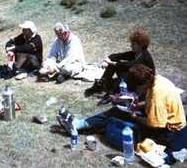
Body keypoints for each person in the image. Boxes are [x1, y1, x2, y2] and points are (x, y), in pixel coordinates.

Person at [57, 64, 187, 165]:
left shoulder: (157, 94)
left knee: (119, 120)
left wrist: (136, 117)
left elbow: (156, 124)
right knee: (116, 112)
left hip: (166, 131)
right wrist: (137, 106)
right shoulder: (158, 80)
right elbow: (152, 103)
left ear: (144, 82)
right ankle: (80, 124)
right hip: (164, 120)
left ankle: (80, 125)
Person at [84, 30, 155, 105]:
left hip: (141, 84)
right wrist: (107, 60)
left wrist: (111, 63)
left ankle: (111, 94)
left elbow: (129, 65)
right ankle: (101, 84)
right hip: (133, 78)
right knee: (116, 63)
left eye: (133, 44)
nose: (131, 46)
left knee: (126, 71)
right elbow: (118, 55)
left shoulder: (144, 57)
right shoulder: (136, 53)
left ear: (141, 45)